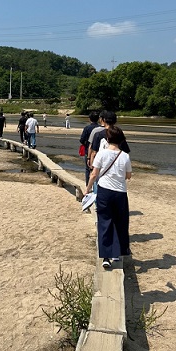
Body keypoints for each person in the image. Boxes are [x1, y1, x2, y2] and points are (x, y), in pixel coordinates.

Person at [84, 125, 132, 269]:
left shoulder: (102, 153)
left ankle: (105, 257)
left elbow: (94, 174)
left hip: (104, 191)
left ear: (108, 139)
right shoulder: (125, 156)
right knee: (120, 222)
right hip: (120, 193)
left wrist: (87, 190)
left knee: (105, 221)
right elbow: (128, 176)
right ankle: (117, 253)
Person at [79, 111, 100, 186]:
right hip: (99, 151)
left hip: (88, 150)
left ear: (89, 119)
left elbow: (82, 140)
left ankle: (88, 184)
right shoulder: (101, 128)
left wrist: (86, 145)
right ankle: (96, 184)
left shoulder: (87, 128)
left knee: (88, 168)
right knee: (98, 168)